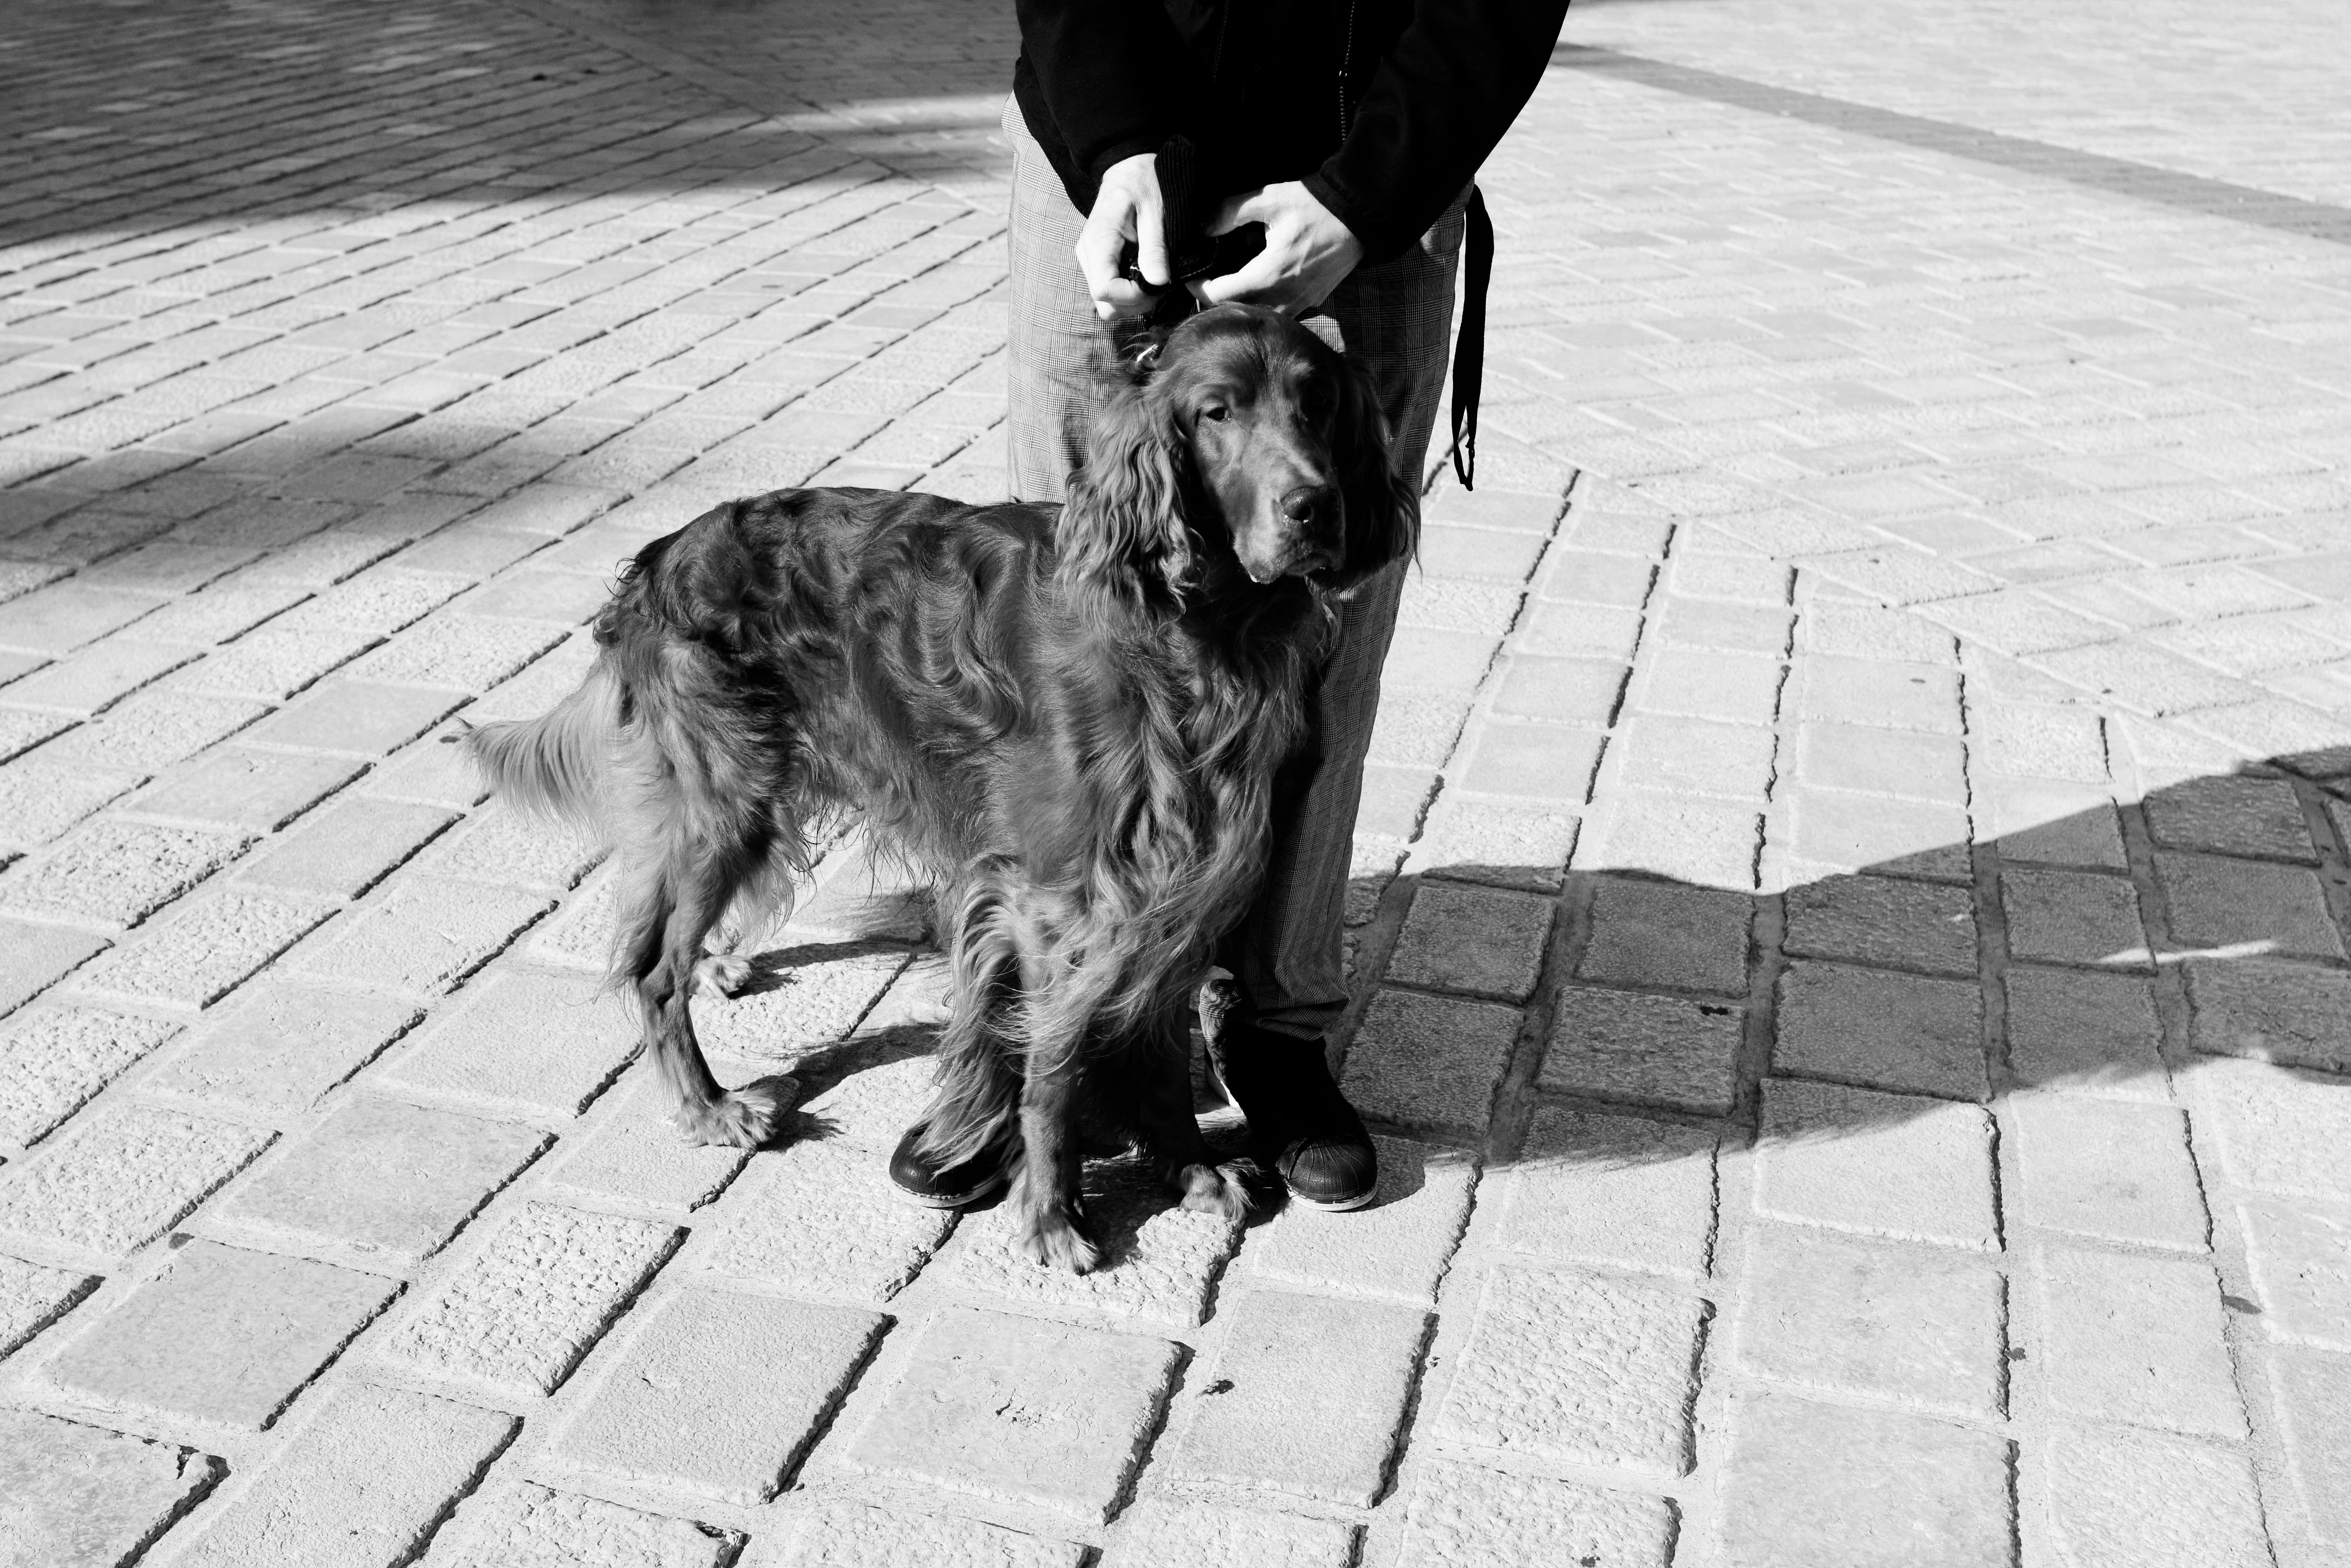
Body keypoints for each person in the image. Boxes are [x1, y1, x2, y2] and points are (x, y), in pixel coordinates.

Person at [892, 0, 1572, 1214]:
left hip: (1373, 172)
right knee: (1060, 639)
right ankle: (1011, 1034)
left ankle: (1274, 1028)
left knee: (1320, 643)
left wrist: (1372, 190)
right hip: (1109, 172)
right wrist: (1116, 138)